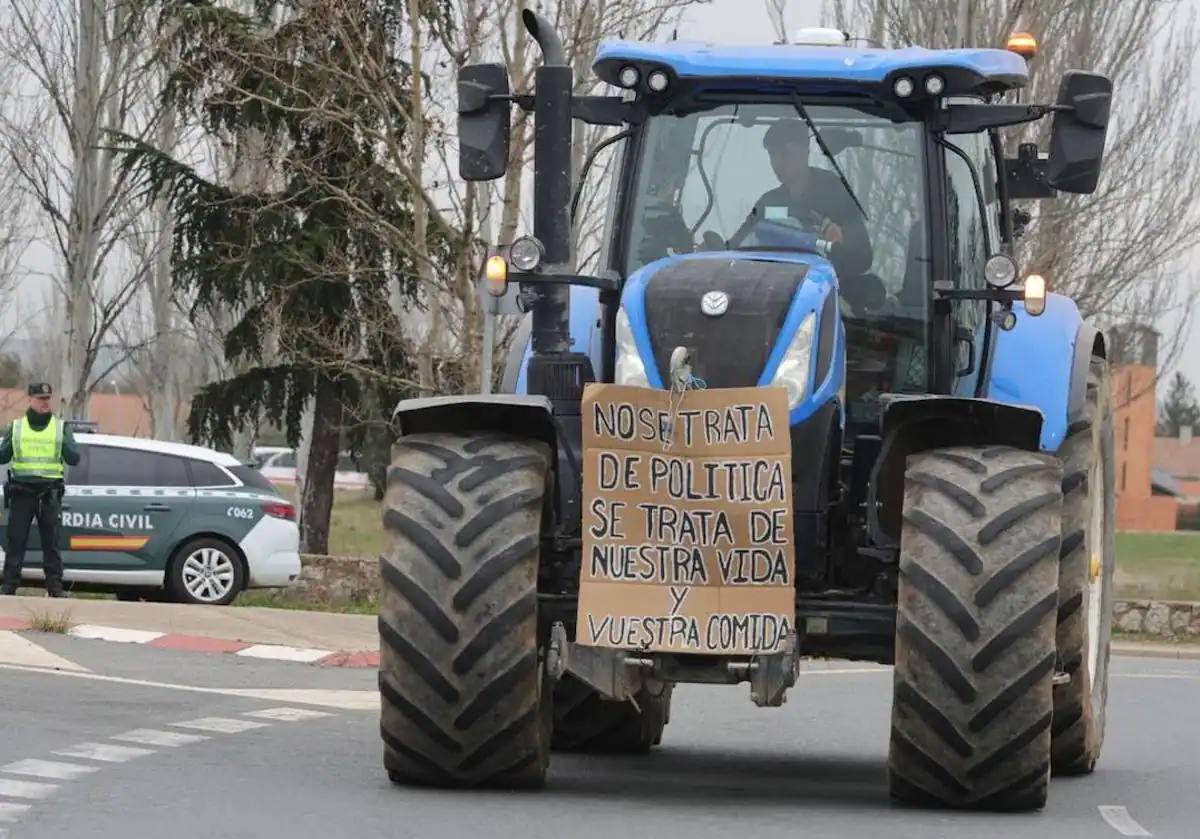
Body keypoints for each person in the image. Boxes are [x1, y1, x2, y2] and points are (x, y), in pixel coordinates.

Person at [727, 119, 874, 277]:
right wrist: (716, 251)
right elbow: (738, 246)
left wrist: (842, 241)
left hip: (825, 288)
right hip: (775, 286)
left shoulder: (833, 190)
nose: (777, 162)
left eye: (784, 153)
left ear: (805, 151)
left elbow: (863, 257)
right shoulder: (768, 203)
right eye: (772, 154)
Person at [0, 383, 80, 597]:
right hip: (22, 492)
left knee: (51, 543)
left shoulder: (60, 428)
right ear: (30, 400)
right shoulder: (17, 427)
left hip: (49, 493)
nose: (45, 403)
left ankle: (55, 587)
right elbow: (2, 456)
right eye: (40, 399)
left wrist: (65, 441)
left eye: (47, 398)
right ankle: (9, 586)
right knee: (16, 541)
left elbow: (74, 458)